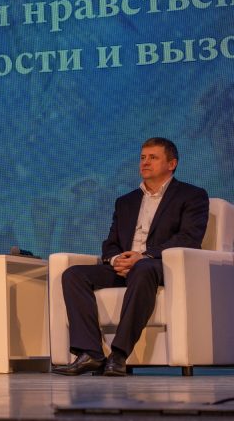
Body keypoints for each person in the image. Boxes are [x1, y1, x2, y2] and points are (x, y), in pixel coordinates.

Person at [52, 137, 209, 376]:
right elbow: (111, 243)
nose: (145, 162)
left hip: (160, 266)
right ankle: (91, 353)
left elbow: (189, 238)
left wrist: (143, 256)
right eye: (143, 157)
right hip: (126, 266)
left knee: (143, 269)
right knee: (74, 275)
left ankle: (119, 354)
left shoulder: (192, 195)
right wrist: (117, 259)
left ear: (172, 164)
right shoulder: (126, 201)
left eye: (153, 158)